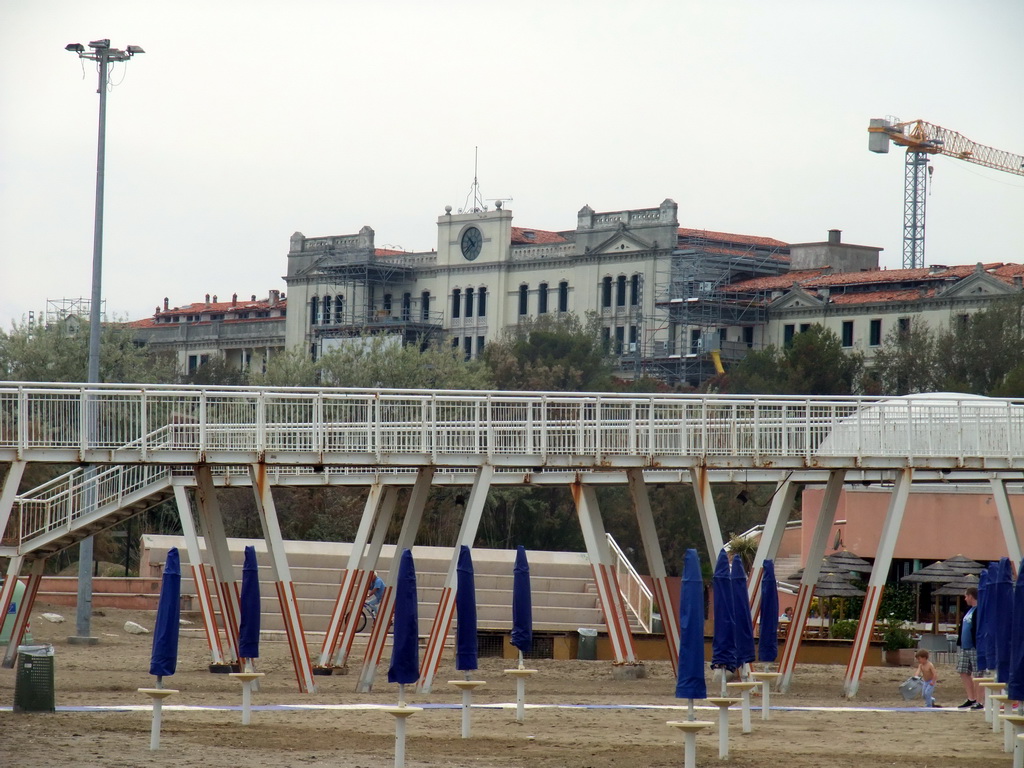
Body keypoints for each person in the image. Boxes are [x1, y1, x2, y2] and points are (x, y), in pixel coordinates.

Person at [956, 586, 983, 709]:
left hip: (974, 646)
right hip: (965, 646)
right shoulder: (969, 610)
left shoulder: (980, 610)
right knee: (963, 670)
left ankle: (979, 700)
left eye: (966, 596)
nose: (965, 598)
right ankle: (971, 698)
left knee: (978, 673)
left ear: (971, 596)